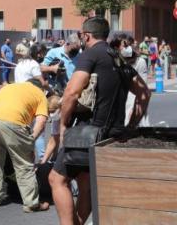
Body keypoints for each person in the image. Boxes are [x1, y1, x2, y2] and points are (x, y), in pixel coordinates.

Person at [50, 17, 151, 225]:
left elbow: (71, 92)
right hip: (112, 134)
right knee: (85, 183)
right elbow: (144, 93)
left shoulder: (91, 54)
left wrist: (63, 125)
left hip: (87, 134)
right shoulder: (117, 57)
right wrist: (131, 125)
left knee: (56, 179)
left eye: (81, 36)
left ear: (86, 35)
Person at [0, 78, 51, 212]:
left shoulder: (10, 87)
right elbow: (41, 122)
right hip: (13, 122)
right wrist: (31, 139)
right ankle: (31, 203)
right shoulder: (40, 94)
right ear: (41, 88)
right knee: (23, 164)